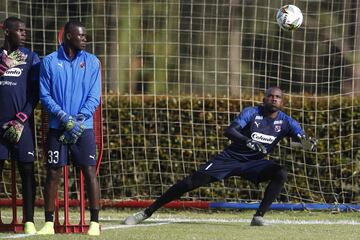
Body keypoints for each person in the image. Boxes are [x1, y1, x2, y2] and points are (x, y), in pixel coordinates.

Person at [124, 86, 317, 226]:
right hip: (229, 159)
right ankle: (146, 213)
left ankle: (258, 217)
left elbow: (300, 140)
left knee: (280, 173)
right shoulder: (252, 112)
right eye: (270, 96)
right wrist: (247, 141)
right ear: (264, 99)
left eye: (277, 97)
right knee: (189, 183)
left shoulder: (287, 122)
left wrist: (308, 143)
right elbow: (230, 131)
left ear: (282, 102)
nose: (274, 99)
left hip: (254, 164)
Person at [37, 20, 101, 236]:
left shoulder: (93, 62)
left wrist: (79, 119)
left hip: (84, 128)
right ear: (68, 37)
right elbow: (44, 95)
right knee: (53, 172)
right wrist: (64, 117)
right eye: (81, 35)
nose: (85, 39)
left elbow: (94, 96)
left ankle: (94, 222)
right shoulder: (49, 62)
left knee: (89, 171)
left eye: (85, 35)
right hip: (58, 127)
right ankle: (48, 223)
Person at [0, 17, 40, 234]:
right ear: (7, 32)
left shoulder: (31, 57)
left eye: (25, 31)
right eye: (20, 31)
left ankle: (29, 220)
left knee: (27, 169)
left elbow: (35, 92)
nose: (24, 34)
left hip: (21, 125)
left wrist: (21, 118)